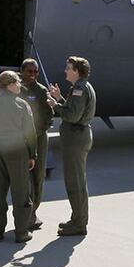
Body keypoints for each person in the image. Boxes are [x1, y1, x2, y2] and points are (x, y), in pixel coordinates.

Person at [0, 71, 37, 241]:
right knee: (20, 190)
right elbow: (30, 132)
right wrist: (32, 154)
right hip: (16, 149)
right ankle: (21, 232)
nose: (19, 85)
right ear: (10, 84)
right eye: (17, 82)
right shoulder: (21, 105)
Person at [47, 55, 96, 236]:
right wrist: (59, 98)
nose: (65, 71)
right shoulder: (80, 87)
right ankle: (77, 219)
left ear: (77, 71)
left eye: (69, 68)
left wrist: (55, 106)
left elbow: (72, 116)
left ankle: (79, 223)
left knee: (75, 182)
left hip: (76, 138)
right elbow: (73, 110)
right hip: (77, 137)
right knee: (77, 181)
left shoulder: (79, 89)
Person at [18, 58, 55, 228]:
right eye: (29, 71)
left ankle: (33, 213)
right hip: (19, 139)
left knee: (38, 176)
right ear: (22, 71)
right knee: (22, 177)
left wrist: (36, 133)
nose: (33, 75)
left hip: (38, 138)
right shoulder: (16, 90)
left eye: (35, 72)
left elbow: (48, 116)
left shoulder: (40, 91)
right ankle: (24, 213)